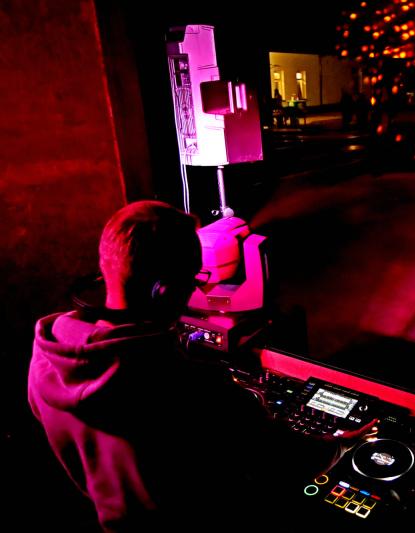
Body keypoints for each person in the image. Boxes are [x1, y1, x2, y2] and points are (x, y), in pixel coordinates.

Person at [28, 201, 374, 531]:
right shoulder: (187, 384)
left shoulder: (48, 357)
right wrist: (341, 443)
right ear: (163, 292)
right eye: (192, 280)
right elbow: (279, 457)